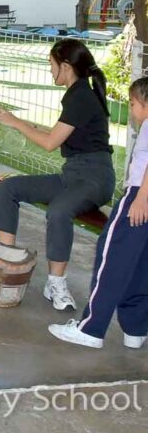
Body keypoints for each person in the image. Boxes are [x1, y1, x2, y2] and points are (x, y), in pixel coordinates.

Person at [0, 38, 116, 311]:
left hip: (95, 178)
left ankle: (56, 283)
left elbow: (50, 143)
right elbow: (59, 133)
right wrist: (25, 125)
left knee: (59, 210)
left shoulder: (81, 96)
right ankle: (6, 262)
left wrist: (16, 122)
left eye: (51, 64)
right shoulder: (76, 94)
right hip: (72, 175)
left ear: (66, 66)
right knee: (8, 188)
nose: (50, 70)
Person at [49, 76, 148, 349]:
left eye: (132, 104)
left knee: (111, 257)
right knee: (140, 263)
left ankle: (91, 328)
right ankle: (136, 328)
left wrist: (141, 198)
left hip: (138, 198)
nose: (131, 111)